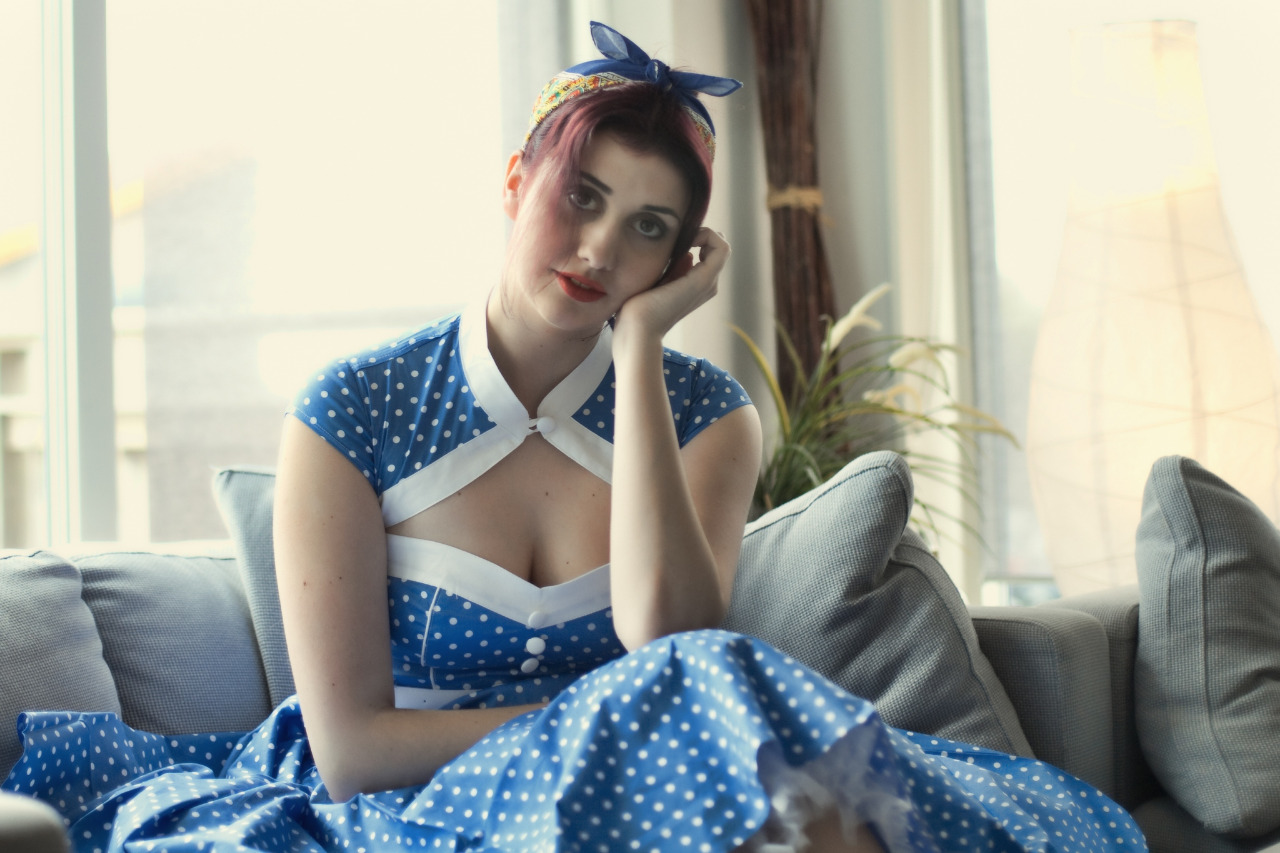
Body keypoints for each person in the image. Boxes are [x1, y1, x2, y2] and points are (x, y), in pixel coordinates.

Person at [3, 21, 1146, 853]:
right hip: (431, 802)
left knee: (769, 750)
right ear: (515, 181)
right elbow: (351, 750)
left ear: (679, 261)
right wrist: (616, 722)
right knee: (720, 713)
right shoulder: (353, 408)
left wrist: (640, 353)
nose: (600, 248)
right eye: (581, 196)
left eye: (647, 227)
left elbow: (666, 633)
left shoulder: (705, 412)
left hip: (658, 785)